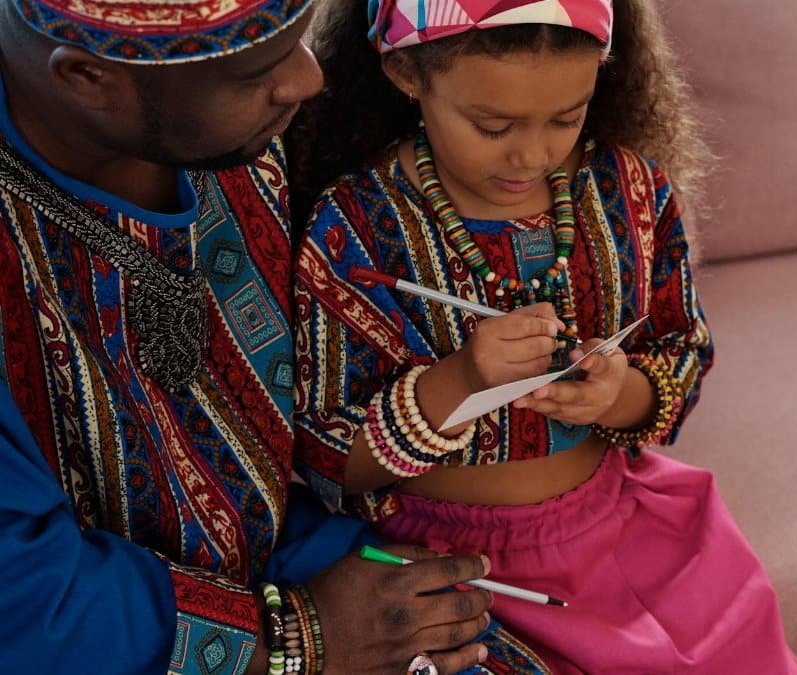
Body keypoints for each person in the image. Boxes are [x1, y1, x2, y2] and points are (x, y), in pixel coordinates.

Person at [288, 0, 797, 671]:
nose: (532, 154)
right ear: (406, 72)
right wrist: (460, 380)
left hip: (627, 530)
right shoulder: (354, 229)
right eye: (493, 125)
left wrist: (619, 394)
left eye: (567, 117)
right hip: (452, 574)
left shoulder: (629, 192)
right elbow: (327, 459)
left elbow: (681, 353)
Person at [0, 1, 514, 672]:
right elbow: (25, 596)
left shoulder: (233, 129)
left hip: (309, 554)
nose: (307, 78)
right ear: (89, 79)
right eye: (255, 72)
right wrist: (295, 637)